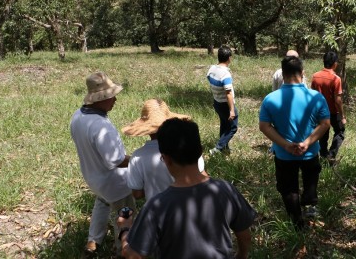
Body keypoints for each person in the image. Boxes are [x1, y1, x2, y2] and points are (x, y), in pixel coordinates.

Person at [116, 118, 256, 259]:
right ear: (200, 151)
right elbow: (244, 235)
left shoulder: (156, 206)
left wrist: (125, 228)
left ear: (166, 159)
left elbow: (132, 255)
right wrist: (241, 255)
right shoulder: (226, 190)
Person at [259, 56, 331, 228]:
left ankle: (297, 223)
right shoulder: (316, 97)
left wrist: (285, 144)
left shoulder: (270, 99)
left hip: (284, 154)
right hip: (311, 152)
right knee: (310, 178)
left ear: (282, 75)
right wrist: (307, 142)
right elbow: (325, 124)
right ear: (303, 73)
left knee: (288, 188)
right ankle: (309, 203)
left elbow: (264, 126)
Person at [70, 71, 135, 256]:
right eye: (111, 96)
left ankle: (93, 241)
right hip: (116, 185)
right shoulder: (101, 126)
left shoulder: (78, 116)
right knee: (126, 216)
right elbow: (116, 160)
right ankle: (122, 250)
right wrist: (139, 161)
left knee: (102, 203)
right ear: (99, 99)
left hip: (94, 179)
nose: (115, 99)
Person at [122, 99, 205, 201]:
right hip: (189, 204)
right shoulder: (187, 146)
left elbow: (137, 194)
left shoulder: (137, 157)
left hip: (158, 209)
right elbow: (201, 174)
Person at [311, 51, 346, 161]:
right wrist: (343, 116)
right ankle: (331, 155)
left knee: (323, 134)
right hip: (333, 112)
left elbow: (313, 95)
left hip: (320, 112)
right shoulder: (336, 79)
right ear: (335, 64)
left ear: (323, 62)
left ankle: (323, 155)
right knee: (340, 132)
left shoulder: (315, 76)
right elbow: (338, 100)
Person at [206, 45, 238, 155]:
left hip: (217, 102)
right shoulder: (225, 74)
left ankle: (225, 147)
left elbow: (208, 78)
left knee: (224, 124)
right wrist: (232, 110)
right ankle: (217, 149)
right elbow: (228, 93)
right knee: (233, 128)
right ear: (229, 58)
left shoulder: (212, 69)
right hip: (225, 104)